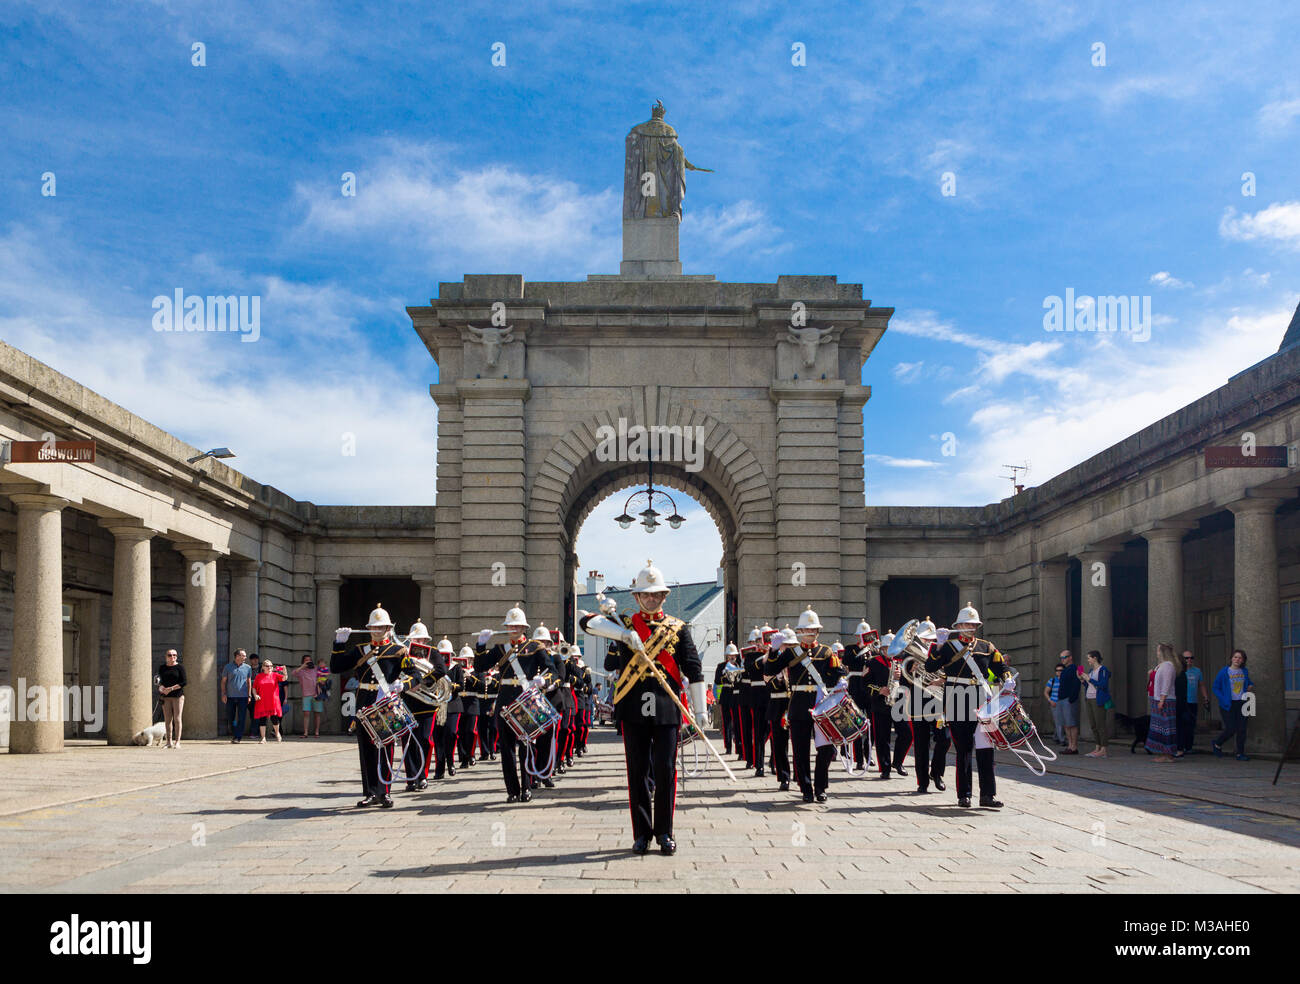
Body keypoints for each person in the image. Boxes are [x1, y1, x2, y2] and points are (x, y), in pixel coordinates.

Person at [579, 560, 706, 854]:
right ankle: (641, 834)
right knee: (636, 772)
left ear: (663, 597)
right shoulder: (622, 624)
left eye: (656, 595)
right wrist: (623, 635)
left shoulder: (677, 628)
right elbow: (586, 621)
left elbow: (694, 669)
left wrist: (700, 713)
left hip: (666, 708)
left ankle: (664, 833)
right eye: (646, 595)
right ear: (636, 597)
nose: (651, 599)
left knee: (665, 771)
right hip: (634, 708)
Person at [331, 603, 441, 808]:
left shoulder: (398, 650)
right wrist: (338, 644)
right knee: (366, 750)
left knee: (385, 748)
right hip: (364, 704)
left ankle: (385, 791)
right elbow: (336, 667)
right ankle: (371, 792)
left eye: (380, 627)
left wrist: (404, 685)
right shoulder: (360, 650)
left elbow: (415, 675)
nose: (376, 630)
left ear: (388, 629)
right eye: (373, 627)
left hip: (386, 703)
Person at [925, 602, 1013, 809]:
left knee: (986, 748)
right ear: (959, 625)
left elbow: (1001, 666)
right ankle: (964, 794)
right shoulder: (947, 646)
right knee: (963, 749)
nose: (970, 627)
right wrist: (938, 646)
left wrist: (1007, 678)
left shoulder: (986, 647)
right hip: (957, 698)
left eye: (973, 624)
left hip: (982, 699)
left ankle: (987, 795)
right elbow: (930, 666)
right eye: (966, 624)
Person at [475, 604, 560, 804]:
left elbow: (552, 671)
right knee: (506, 748)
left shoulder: (535, 648)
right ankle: (512, 790)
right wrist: (480, 645)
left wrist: (544, 681)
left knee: (526, 746)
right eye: (510, 626)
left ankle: (526, 787)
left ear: (524, 628)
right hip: (505, 699)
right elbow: (480, 666)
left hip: (525, 698)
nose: (513, 629)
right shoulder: (499, 649)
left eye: (517, 626)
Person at [760, 608, 844, 803]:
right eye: (806, 630)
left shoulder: (826, 651)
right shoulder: (791, 653)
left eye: (813, 629)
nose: (809, 633)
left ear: (817, 631)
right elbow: (770, 671)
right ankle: (806, 787)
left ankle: (821, 786)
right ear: (799, 631)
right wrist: (772, 651)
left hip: (820, 703)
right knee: (800, 750)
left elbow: (836, 671)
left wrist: (841, 680)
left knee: (826, 749)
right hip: (798, 704)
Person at [761, 631, 792, 791]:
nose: (785, 648)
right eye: (783, 645)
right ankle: (784, 777)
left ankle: (801, 776)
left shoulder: (795, 658)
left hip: (793, 703)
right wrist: (773, 652)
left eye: (788, 645)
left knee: (799, 743)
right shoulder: (772, 659)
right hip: (777, 704)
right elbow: (767, 674)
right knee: (779, 744)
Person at [1212, 650, 1255, 761]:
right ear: (1231, 658)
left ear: (1243, 660)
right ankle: (1217, 743)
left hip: (1242, 702)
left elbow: (1248, 682)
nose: (1237, 659)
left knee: (1242, 729)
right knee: (1231, 728)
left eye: (1240, 658)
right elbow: (1215, 687)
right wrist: (1223, 699)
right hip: (1228, 704)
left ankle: (1240, 753)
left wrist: (1250, 685)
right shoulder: (1224, 672)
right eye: (1235, 657)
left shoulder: (1244, 671)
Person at [1145, 643, 1178, 762]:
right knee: (1159, 727)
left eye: (1158, 650)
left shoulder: (1168, 666)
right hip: (1156, 697)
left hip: (1165, 699)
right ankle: (1162, 752)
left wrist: (1162, 699)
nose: (1157, 652)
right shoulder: (1160, 666)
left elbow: (1167, 684)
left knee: (1166, 727)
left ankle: (1168, 754)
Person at [1176, 651, 1210, 756]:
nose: (1189, 660)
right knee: (1182, 725)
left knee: (1191, 725)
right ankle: (1180, 746)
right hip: (1182, 702)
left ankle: (1189, 747)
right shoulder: (1180, 671)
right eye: (1186, 658)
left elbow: (1201, 685)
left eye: (1191, 658)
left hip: (1193, 701)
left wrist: (1205, 697)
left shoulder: (1197, 671)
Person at [1082, 650, 1112, 758]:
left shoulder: (1102, 670)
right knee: (1093, 725)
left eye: (1089, 658)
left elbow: (1103, 685)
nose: (1088, 660)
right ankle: (1097, 747)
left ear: (1095, 658)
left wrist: (1089, 679)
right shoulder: (1091, 670)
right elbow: (1088, 685)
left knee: (1100, 724)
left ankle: (1104, 748)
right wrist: (1083, 680)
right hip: (1089, 698)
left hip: (1097, 699)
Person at [220, 649, 254, 743]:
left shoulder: (248, 668)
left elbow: (249, 682)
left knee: (242, 717)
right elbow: (223, 682)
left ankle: (238, 737)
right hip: (230, 697)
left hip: (243, 697)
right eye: (243, 655)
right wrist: (223, 694)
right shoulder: (228, 667)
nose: (245, 657)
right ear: (237, 656)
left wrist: (249, 695)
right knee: (231, 717)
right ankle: (235, 733)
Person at [251, 659, 287, 743]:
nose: (269, 667)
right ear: (263, 667)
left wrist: (284, 671)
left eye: (271, 666)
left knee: (274, 718)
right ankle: (263, 738)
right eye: (267, 666)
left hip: (273, 700)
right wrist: (255, 695)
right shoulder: (259, 676)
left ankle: (277, 733)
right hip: (262, 700)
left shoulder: (275, 675)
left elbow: (284, 679)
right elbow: (254, 688)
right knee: (262, 719)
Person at [457, 645, 481, 769]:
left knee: (471, 731)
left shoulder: (476, 671)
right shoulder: (457, 670)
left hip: (472, 704)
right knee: (460, 732)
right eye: (464, 658)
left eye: (468, 658)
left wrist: (470, 677)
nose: (466, 660)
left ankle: (471, 754)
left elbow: (481, 685)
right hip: (460, 703)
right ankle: (463, 757)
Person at [157, 649, 187, 748]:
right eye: (170, 655)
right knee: (168, 719)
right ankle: (169, 742)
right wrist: (161, 687)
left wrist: (171, 688)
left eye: (174, 655)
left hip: (177, 696)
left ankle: (177, 741)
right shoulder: (162, 668)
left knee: (177, 719)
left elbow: (184, 682)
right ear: (166, 656)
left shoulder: (180, 667)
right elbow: (159, 680)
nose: (172, 657)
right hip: (165, 696)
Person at [1057, 649, 1081, 754]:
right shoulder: (1064, 670)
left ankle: (1074, 746)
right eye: (1061, 658)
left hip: (1069, 699)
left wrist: (1072, 698)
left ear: (1070, 657)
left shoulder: (1074, 668)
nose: (1062, 660)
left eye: (1064, 657)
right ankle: (1070, 745)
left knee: (1071, 723)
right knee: (1066, 724)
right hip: (1062, 699)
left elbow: (1076, 684)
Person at [293, 656, 322, 738]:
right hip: (306, 694)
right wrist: (302, 666)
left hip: (316, 694)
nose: (308, 662)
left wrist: (319, 685)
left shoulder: (316, 668)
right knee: (306, 713)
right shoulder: (301, 671)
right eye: (306, 660)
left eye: (309, 660)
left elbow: (323, 675)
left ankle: (317, 732)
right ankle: (305, 732)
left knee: (317, 713)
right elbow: (293, 673)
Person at [1044, 663, 1065, 745]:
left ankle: (1056, 736)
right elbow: (1046, 692)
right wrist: (1050, 700)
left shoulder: (1065, 680)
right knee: (1058, 722)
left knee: (1061, 721)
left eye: (1061, 670)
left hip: (1063, 702)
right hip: (1054, 703)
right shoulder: (1052, 680)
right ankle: (1062, 739)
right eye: (1057, 670)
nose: (1059, 672)